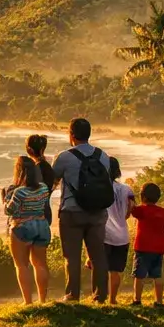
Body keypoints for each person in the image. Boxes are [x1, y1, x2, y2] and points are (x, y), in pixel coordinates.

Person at [49, 119, 114, 303]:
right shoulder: (103, 156)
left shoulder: (64, 157)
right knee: (98, 255)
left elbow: (52, 182)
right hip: (98, 212)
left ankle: (72, 295)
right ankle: (100, 296)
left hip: (72, 212)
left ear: (71, 134)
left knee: (72, 256)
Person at [1, 156, 51, 303]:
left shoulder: (19, 192)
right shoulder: (43, 187)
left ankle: (28, 301)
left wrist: (4, 199)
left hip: (22, 226)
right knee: (40, 264)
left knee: (22, 265)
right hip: (42, 225)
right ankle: (42, 300)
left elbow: (9, 211)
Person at [130, 183, 164, 309]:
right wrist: (162, 236)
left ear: (143, 197)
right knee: (157, 275)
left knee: (139, 276)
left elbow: (132, 209)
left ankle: (137, 300)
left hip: (142, 248)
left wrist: (131, 199)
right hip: (158, 249)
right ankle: (159, 302)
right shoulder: (162, 211)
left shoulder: (141, 210)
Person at [101, 158, 136, 305]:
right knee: (115, 271)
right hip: (122, 236)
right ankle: (112, 299)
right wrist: (122, 217)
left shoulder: (101, 188)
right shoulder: (127, 189)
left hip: (104, 234)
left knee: (101, 269)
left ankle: (100, 298)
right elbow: (131, 208)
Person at [25, 135, 56, 230]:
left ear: (29, 150)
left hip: (34, 214)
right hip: (46, 212)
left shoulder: (35, 169)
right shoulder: (47, 167)